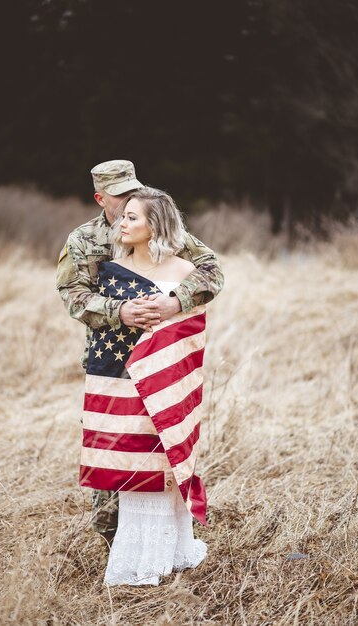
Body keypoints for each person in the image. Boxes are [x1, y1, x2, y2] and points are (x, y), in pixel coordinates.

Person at [56, 159, 224, 545]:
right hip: (112, 361)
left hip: (162, 358)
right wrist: (119, 311)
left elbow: (211, 270)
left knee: (161, 442)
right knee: (114, 450)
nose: (131, 200)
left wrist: (176, 302)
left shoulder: (152, 221)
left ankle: (165, 537)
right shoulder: (83, 240)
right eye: (121, 197)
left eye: (134, 190)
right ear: (101, 199)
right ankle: (116, 540)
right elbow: (72, 296)